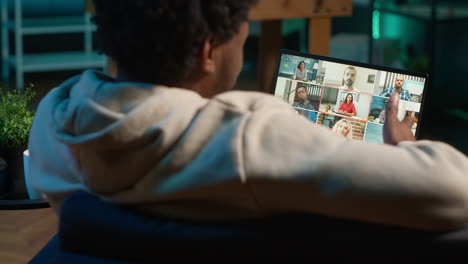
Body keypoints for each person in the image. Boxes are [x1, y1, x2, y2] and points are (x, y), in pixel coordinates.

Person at [28, 0, 468, 231]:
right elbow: (454, 188)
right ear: (207, 51)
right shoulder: (248, 142)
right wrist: (405, 147)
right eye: (243, 38)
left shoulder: (53, 125)